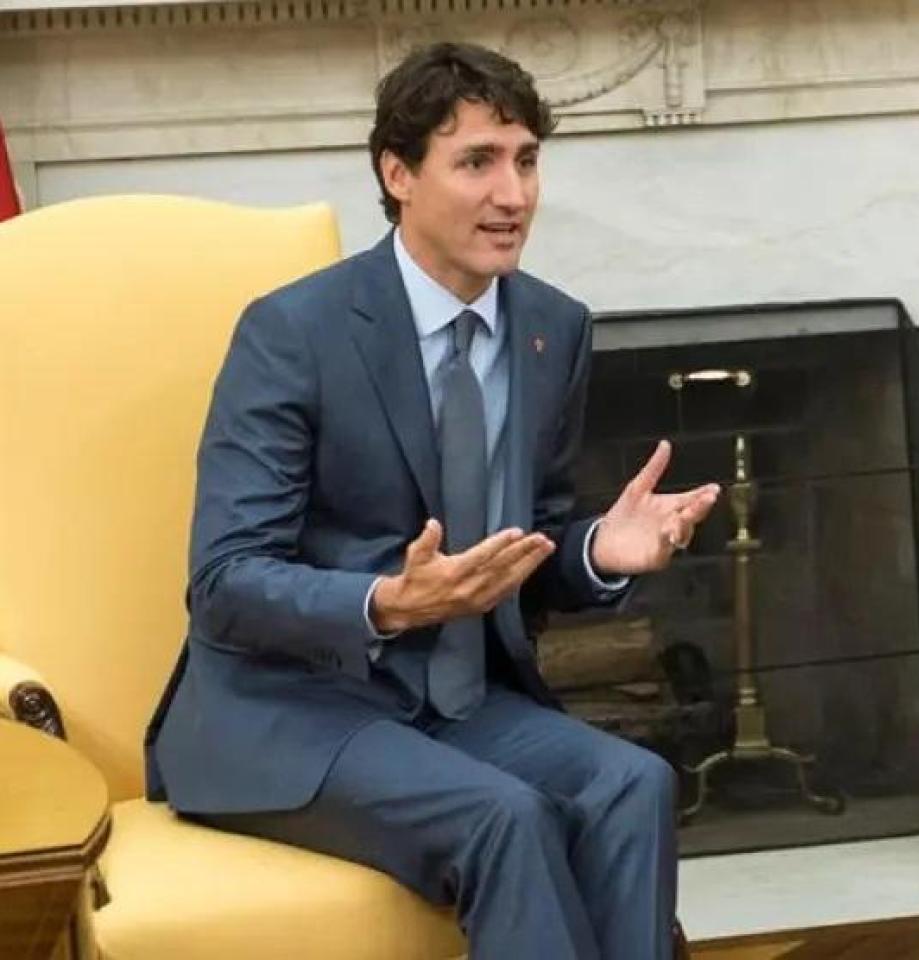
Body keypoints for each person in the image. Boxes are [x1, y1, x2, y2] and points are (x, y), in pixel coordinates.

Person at [143, 41, 719, 960]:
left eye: (527, 159)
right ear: (398, 173)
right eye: (478, 161)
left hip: (455, 701)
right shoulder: (293, 330)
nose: (515, 194)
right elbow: (223, 582)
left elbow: (520, 555)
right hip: (292, 713)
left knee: (633, 783)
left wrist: (597, 553)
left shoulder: (551, 328)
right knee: (508, 818)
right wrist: (385, 602)